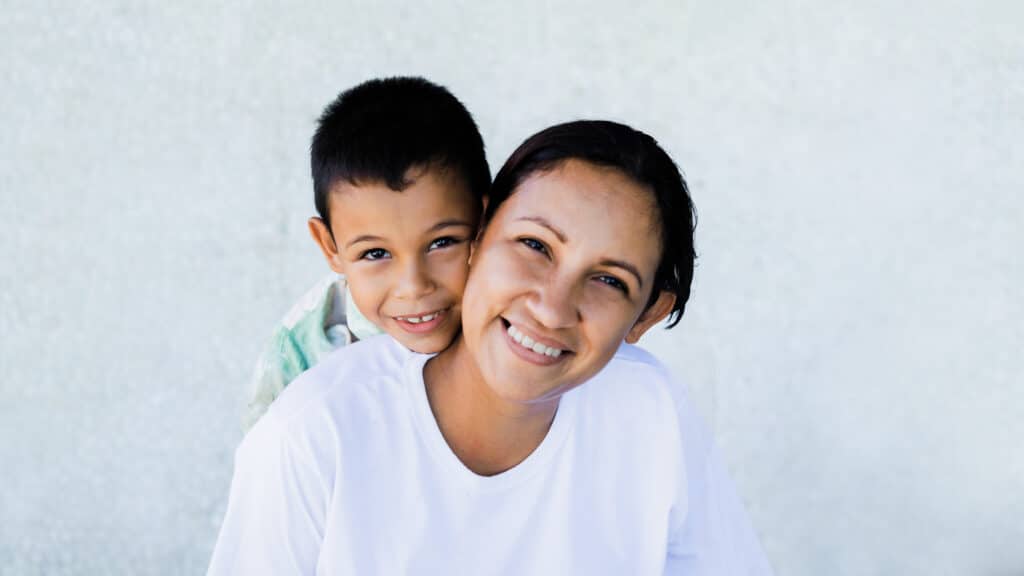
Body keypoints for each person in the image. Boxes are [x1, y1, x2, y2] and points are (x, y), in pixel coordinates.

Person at [209, 121, 773, 574]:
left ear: (645, 315)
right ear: (478, 236)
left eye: (609, 281)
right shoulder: (313, 435)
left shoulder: (650, 414)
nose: (551, 308)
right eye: (534, 245)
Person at [243, 76, 491, 431]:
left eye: (442, 243)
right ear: (330, 247)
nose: (413, 286)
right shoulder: (299, 355)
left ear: (486, 222)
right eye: (376, 253)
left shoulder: (520, 317)